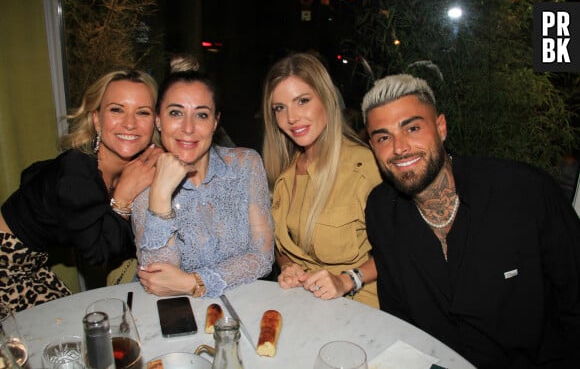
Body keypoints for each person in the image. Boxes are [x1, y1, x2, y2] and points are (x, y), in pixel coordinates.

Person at [361, 73, 580, 368]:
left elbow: (574, 301)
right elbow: (400, 317)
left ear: (441, 127)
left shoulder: (524, 193)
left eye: (412, 128)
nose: (399, 148)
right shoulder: (380, 210)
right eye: (383, 137)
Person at [0, 69, 162, 312]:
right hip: (6, 266)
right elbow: (96, 255)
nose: (130, 123)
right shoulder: (76, 170)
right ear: (97, 120)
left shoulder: (131, 168)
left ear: (155, 123)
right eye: (116, 109)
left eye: (143, 112)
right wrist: (123, 196)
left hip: (30, 265)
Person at [134, 61, 274, 298]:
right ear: (158, 120)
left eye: (201, 115)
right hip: (178, 314)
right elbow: (157, 281)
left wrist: (195, 282)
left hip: (244, 303)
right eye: (176, 113)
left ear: (215, 122)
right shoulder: (143, 183)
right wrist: (159, 196)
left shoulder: (246, 165)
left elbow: (262, 257)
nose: (188, 128)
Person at [261, 53, 382, 308]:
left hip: (361, 311)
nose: (291, 118)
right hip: (305, 307)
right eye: (280, 108)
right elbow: (284, 248)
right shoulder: (284, 175)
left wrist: (348, 280)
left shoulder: (364, 167)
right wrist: (289, 267)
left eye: (302, 101)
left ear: (326, 100)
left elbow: (402, 251)